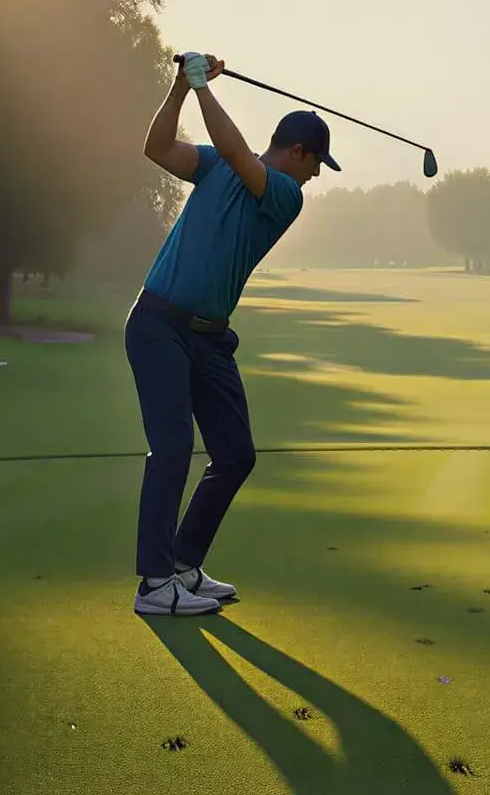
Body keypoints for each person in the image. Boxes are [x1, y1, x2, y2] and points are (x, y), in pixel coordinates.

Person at [129, 51, 337, 616]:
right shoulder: (221, 166)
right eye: (317, 162)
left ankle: (182, 565)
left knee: (235, 455)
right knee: (171, 450)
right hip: (159, 324)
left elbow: (239, 154)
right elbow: (158, 148)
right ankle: (154, 585)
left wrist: (203, 88)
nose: (316, 176)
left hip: (210, 339)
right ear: (298, 151)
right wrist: (180, 88)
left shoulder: (281, 195)